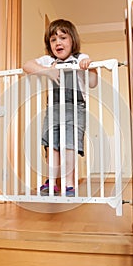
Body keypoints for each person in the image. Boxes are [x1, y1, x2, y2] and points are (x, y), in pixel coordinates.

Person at [23, 19, 97, 197]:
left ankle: (69, 183)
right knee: (52, 146)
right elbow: (26, 65)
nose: (58, 43)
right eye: (53, 40)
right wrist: (46, 70)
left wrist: (90, 68)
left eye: (63, 38)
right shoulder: (48, 60)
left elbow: (93, 83)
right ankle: (52, 181)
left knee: (69, 146)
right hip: (54, 108)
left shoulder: (80, 58)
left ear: (72, 40)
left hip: (75, 108)